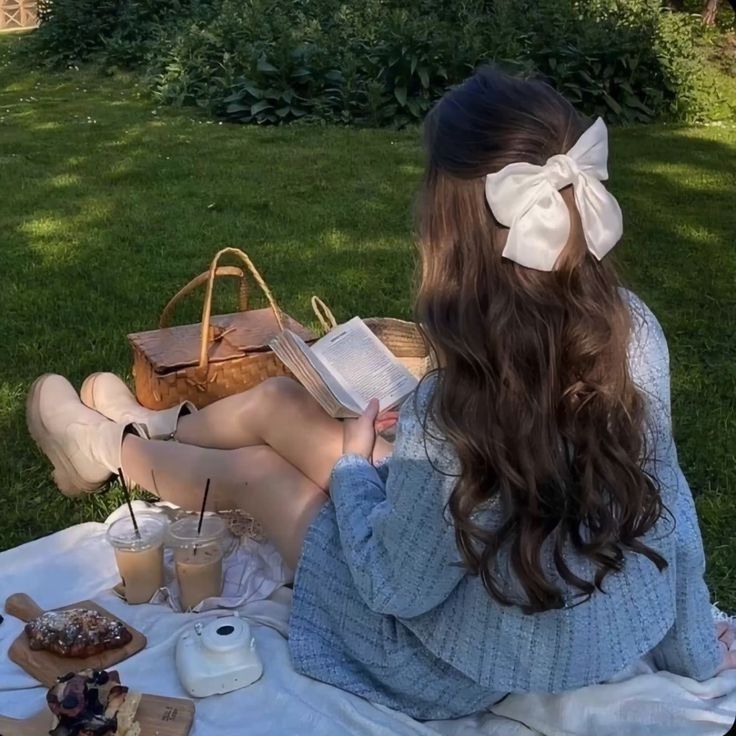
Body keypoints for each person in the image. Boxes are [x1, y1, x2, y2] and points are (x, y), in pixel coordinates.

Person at [26, 68, 735, 720]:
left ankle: (106, 446)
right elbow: (667, 498)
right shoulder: (632, 329)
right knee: (281, 407)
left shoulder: (455, 404)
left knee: (259, 475)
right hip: (514, 579)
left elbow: (399, 588)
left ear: (445, 226)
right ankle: (150, 425)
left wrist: (357, 472)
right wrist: (694, 647)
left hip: (449, 659)